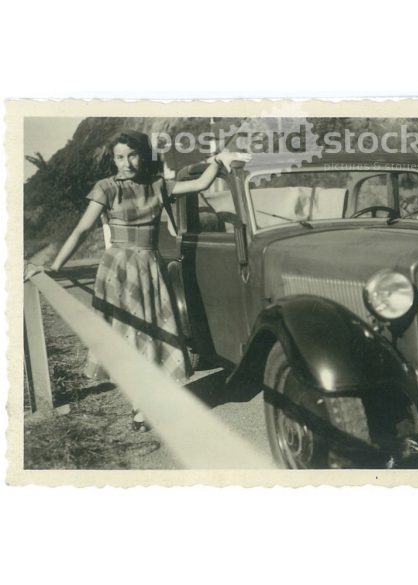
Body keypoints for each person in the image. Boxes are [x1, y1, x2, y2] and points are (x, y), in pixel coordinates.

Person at [25, 129, 251, 430]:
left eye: (132, 155)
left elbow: (200, 183)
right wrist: (54, 266)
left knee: (153, 335)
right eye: (120, 157)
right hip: (118, 270)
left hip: (149, 268)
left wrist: (218, 160)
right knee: (128, 336)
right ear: (113, 159)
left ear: (142, 156)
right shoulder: (106, 188)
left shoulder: (158, 185)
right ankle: (140, 405)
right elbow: (81, 230)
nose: (127, 163)